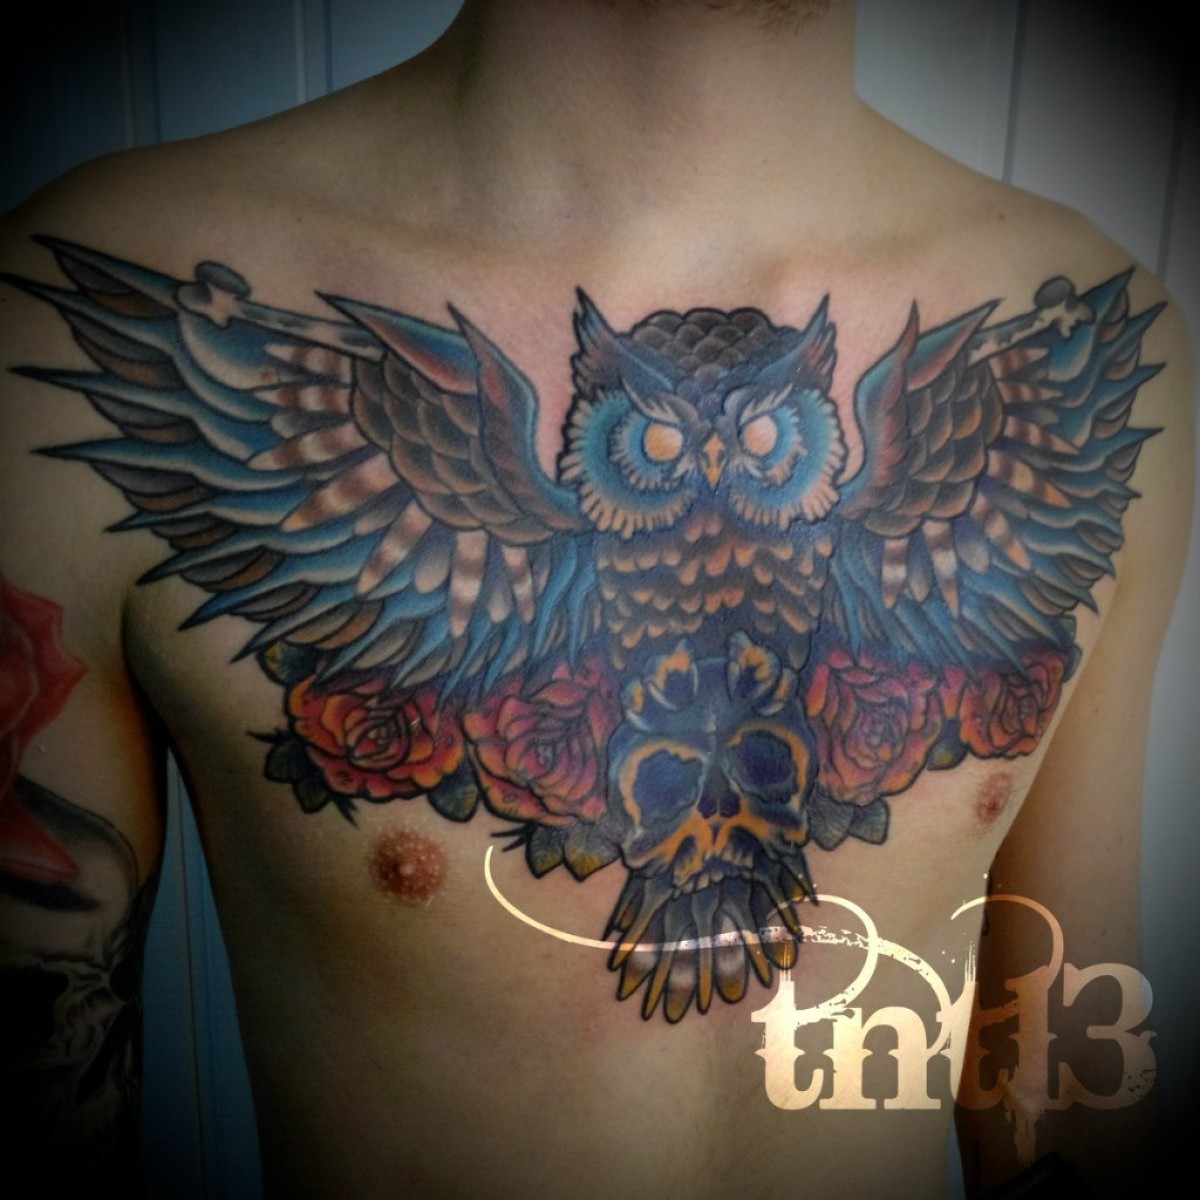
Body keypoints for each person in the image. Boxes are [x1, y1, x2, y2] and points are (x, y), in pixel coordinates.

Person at [0, 1, 1192, 1196]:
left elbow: (1062, 1047)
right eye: (667, 442)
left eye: (760, 437)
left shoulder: (1110, 340)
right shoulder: (57, 330)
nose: (715, 465)